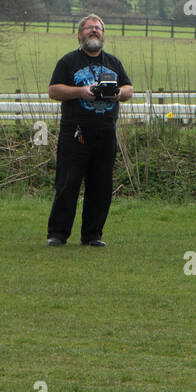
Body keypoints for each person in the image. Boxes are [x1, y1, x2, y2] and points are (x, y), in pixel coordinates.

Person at [45, 14, 133, 247]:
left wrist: (118, 94)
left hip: (105, 133)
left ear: (103, 34)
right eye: (89, 28)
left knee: (101, 186)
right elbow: (53, 90)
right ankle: (57, 234)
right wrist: (81, 92)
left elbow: (129, 89)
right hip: (75, 133)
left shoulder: (114, 63)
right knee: (67, 184)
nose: (94, 31)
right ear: (79, 34)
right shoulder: (68, 62)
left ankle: (93, 235)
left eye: (98, 28)